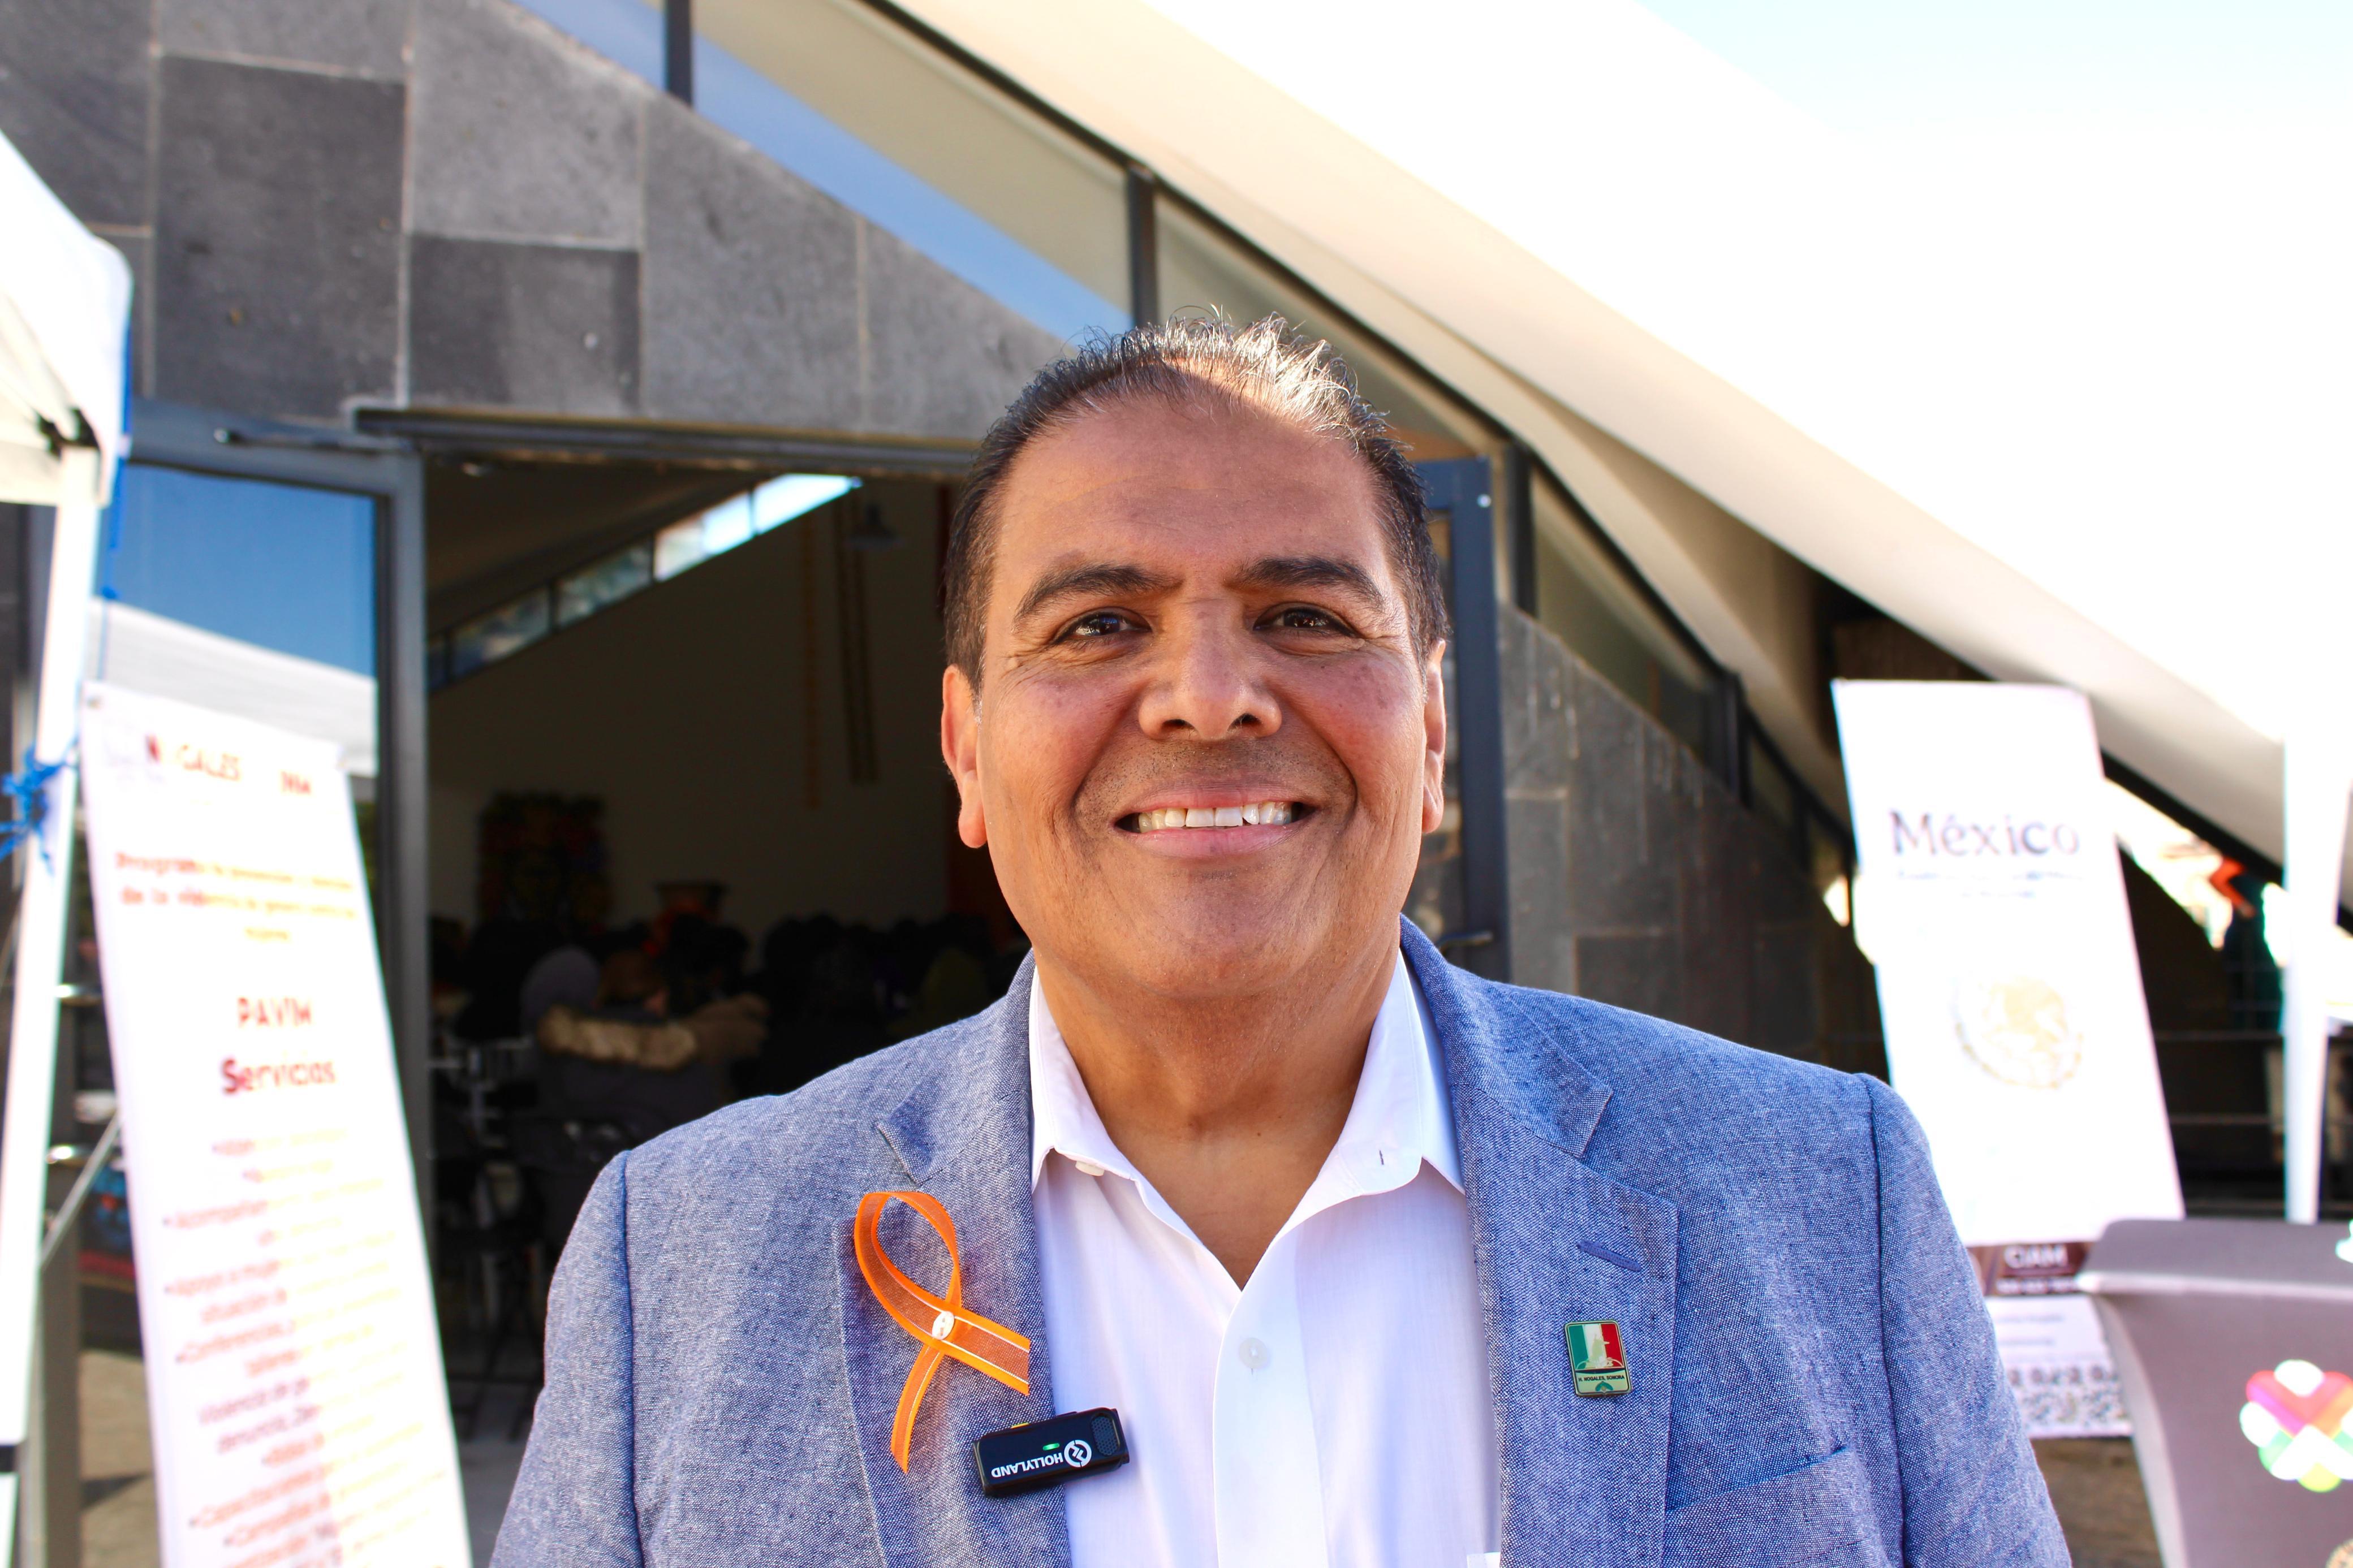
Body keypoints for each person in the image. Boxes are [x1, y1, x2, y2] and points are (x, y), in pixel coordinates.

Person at [493, 317, 2065, 1566]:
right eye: (1097, 626)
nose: (1209, 696)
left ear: (1432, 732)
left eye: (1306, 617)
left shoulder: (1821, 1193)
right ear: (967, 753)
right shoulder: (682, 1264)